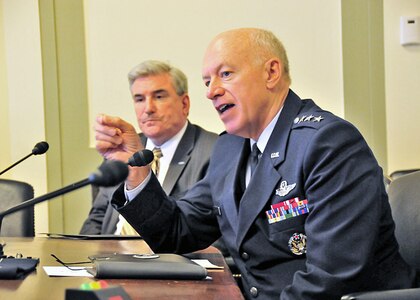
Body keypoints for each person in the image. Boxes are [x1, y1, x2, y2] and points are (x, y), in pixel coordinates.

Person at [95, 29, 418, 299]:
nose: (212, 92)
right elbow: (178, 232)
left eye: (225, 74)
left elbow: (331, 277)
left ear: (271, 72)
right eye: (207, 81)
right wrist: (137, 168)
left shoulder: (327, 142)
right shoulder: (230, 148)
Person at [80, 60, 218, 235]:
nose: (148, 109)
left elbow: (211, 233)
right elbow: (98, 217)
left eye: (159, 96)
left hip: (166, 258)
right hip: (109, 258)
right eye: (139, 99)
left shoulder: (213, 151)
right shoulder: (122, 151)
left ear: (184, 104)